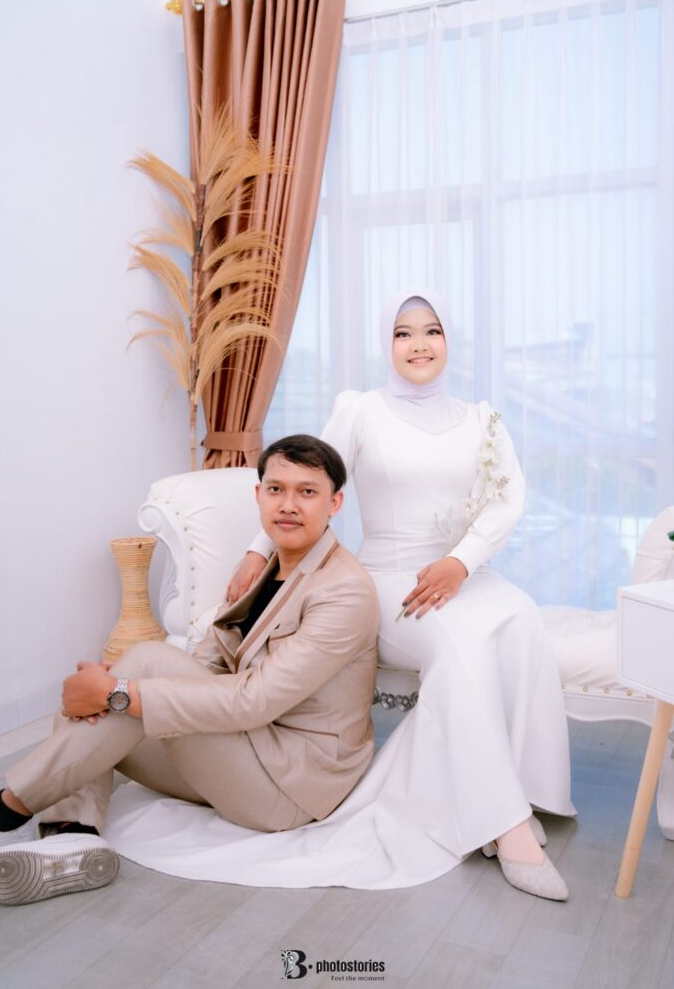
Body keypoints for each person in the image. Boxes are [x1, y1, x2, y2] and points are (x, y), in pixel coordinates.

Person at [226, 288, 574, 901]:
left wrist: (461, 562)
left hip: (459, 573)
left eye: (432, 331)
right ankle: (505, 826)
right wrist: (259, 550)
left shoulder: (482, 420)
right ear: (387, 345)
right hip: (388, 580)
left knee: (520, 618)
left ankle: (516, 792)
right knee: (460, 642)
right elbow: (309, 480)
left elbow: (507, 500)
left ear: (449, 341)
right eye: (403, 333)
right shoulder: (361, 411)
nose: (419, 344)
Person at [0, 435, 379, 906]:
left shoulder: (344, 590)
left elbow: (255, 701)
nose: (288, 505)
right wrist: (113, 691)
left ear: (334, 503)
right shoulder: (264, 568)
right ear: (258, 495)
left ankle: (11, 803)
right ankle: (72, 837)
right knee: (88, 707)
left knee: (133, 674)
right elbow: (206, 664)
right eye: (276, 489)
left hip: (290, 785)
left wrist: (119, 690)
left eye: (308, 492)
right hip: (239, 753)